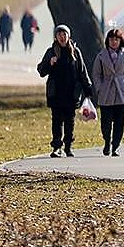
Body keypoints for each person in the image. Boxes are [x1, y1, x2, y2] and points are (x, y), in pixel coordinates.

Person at [37, 25, 93, 158]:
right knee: (56, 121)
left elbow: (82, 72)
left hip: (71, 93)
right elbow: (41, 71)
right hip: (56, 93)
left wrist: (87, 88)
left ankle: (68, 146)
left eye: (64, 34)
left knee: (70, 121)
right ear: (55, 37)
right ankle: (57, 147)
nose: (62, 37)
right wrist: (49, 64)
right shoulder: (51, 52)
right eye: (59, 34)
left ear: (68, 36)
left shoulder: (75, 52)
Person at [91, 28, 124, 157]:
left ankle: (115, 146)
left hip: (122, 92)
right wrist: (99, 88)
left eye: (116, 39)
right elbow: (96, 74)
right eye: (111, 39)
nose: (114, 42)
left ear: (120, 41)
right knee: (105, 122)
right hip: (106, 92)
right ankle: (107, 141)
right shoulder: (101, 56)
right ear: (107, 41)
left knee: (119, 122)